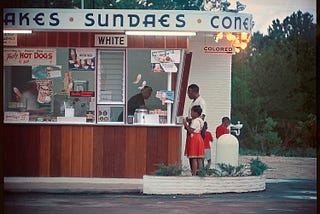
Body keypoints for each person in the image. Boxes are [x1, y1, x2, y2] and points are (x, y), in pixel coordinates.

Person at [185, 84, 207, 169]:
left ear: (195, 92)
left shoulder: (201, 102)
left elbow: (202, 116)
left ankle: (199, 172)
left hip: (196, 130)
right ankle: (194, 171)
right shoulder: (194, 101)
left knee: (197, 153)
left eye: (189, 92)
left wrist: (192, 123)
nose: (188, 95)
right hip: (192, 127)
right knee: (191, 152)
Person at [183, 105, 205, 176]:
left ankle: (194, 173)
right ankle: (201, 172)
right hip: (199, 137)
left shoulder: (195, 121)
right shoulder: (201, 120)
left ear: (196, 113)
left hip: (194, 138)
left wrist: (185, 124)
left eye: (192, 112)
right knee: (199, 157)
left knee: (194, 157)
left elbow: (190, 131)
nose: (191, 114)